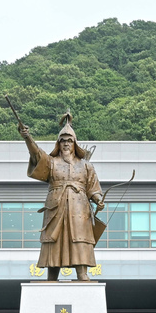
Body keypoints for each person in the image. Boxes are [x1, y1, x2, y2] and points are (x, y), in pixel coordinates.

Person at [18, 114, 104, 281]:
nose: (66, 143)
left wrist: (98, 200)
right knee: (54, 239)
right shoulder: (51, 162)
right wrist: (27, 138)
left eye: (69, 140)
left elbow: (93, 188)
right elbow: (36, 154)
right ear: (58, 143)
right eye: (63, 140)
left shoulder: (86, 165)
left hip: (79, 207)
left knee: (80, 237)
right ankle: (52, 275)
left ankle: (82, 273)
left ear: (75, 143)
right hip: (56, 207)